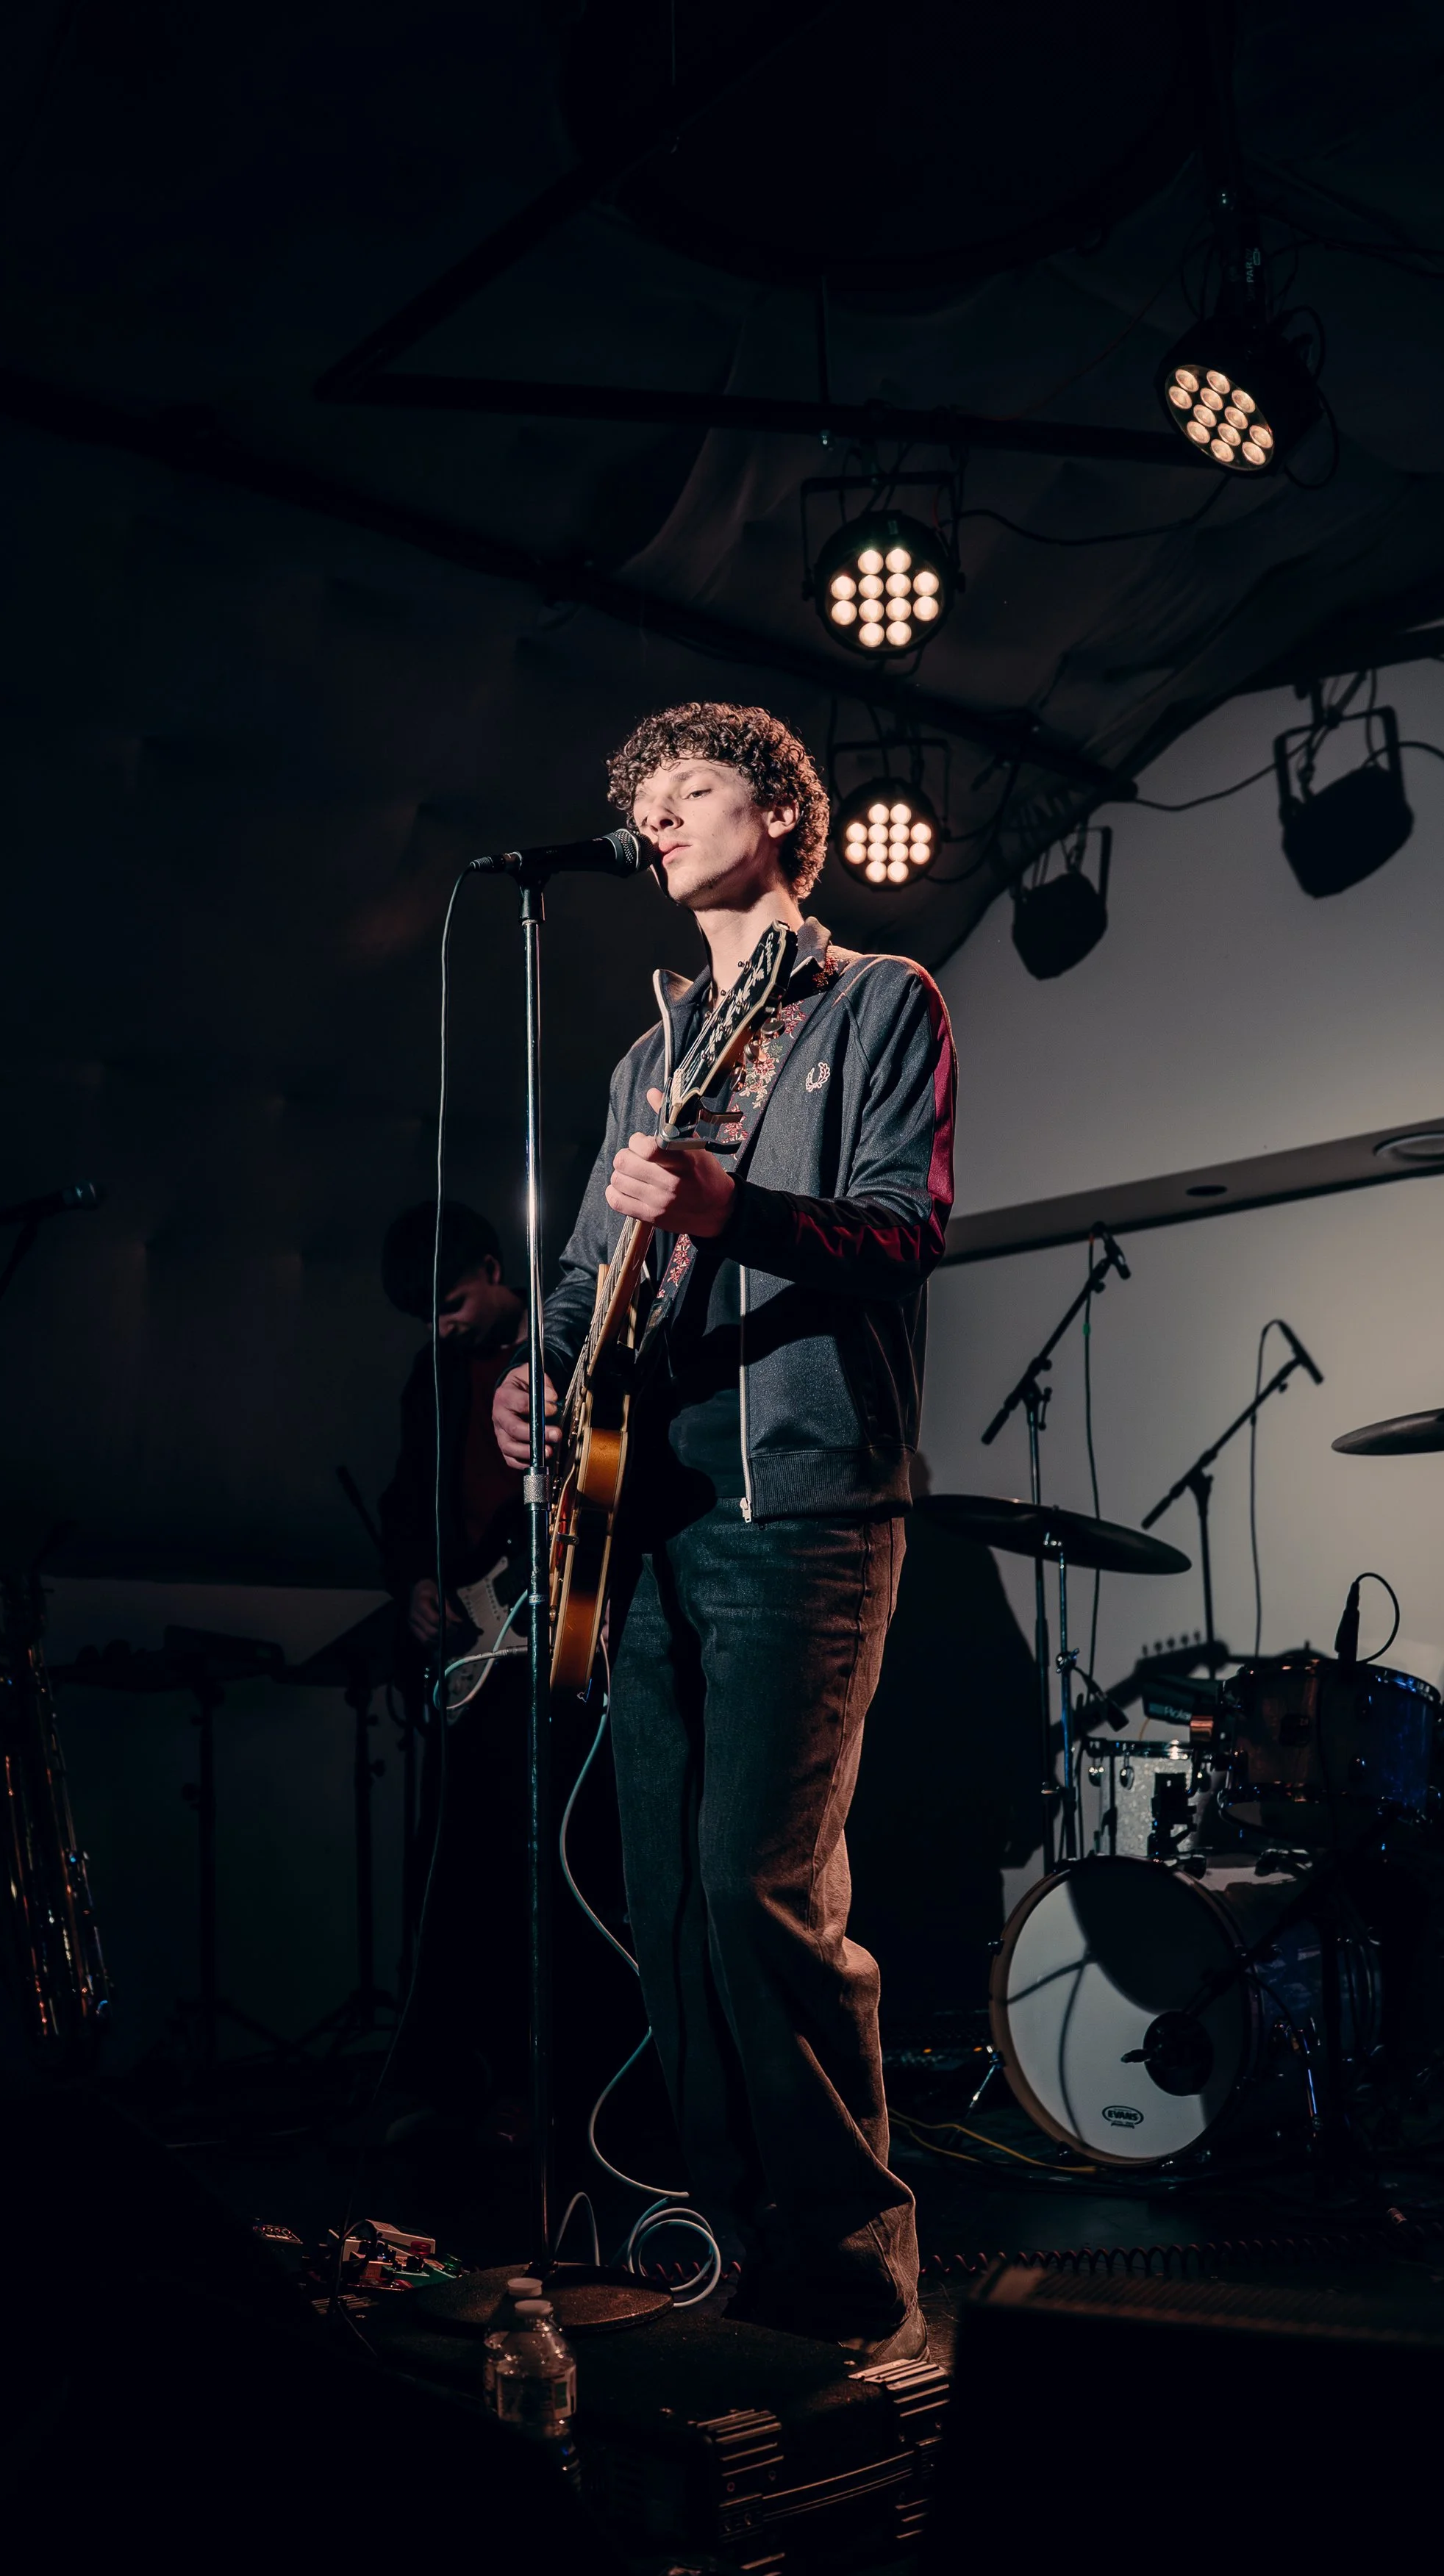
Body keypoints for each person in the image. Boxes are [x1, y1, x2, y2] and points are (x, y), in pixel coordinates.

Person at [494, 701, 957, 2365]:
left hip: (804, 1499)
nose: (657, 818)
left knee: (762, 1886)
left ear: (777, 809)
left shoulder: (877, 999)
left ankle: (849, 2275)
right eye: (640, 800)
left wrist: (729, 1208)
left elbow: (903, 1231)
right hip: (644, 1509)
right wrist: (532, 1382)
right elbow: (576, 1280)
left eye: (687, 791)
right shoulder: (650, 1053)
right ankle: (732, 2241)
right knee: (672, 1896)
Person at [376, 1200, 529, 2125]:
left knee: (535, 1866)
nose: (444, 1325)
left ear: (492, 1264)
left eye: (453, 1299)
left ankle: (533, 2087)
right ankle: (448, 2082)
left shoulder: (563, 1350)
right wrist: (415, 1585)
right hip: (472, 1645)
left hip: (549, 1647)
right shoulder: (431, 1376)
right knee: (450, 1867)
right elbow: (405, 1498)